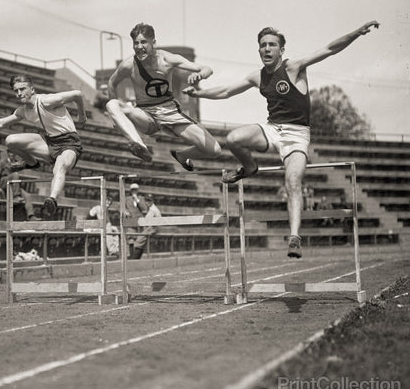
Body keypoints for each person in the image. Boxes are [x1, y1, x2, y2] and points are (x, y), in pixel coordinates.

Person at [184, 21, 380, 259]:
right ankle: (250, 167)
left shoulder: (294, 67)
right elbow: (226, 91)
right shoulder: (257, 76)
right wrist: (199, 93)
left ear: (281, 50)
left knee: (293, 182)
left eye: (272, 45)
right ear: (258, 50)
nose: (267, 49)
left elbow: (329, 49)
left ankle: (295, 237)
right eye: (263, 45)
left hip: (297, 135)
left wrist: (356, 33)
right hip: (272, 129)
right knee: (233, 138)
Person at [0, 74, 86, 218]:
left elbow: (77, 94)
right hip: (50, 142)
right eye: (16, 91)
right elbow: (0, 123)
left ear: (32, 89)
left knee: (59, 167)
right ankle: (32, 163)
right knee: (10, 140)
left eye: (22, 89)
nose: (19, 93)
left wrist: (82, 115)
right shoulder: (24, 111)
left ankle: (52, 199)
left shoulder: (46, 101)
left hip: (70, 143)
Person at [105, 22, 222, 171]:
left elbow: (207, 69)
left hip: (170, 112)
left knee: (215, 150)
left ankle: (181, 155)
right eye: (136, 43)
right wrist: (117, 118)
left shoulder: (167, 59)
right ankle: (139, 145)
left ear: (153, 43)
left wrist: (200, 75)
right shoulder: (129, 64)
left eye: (143, 42)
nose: (139, 47)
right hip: (145, 115)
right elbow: (111, 82)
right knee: (112, 105)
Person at [0, 152, 40, 221]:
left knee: (27, 195)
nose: (12, 155)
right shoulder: (2, 162)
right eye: (11, 153)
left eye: (13, 154)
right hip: (4, 182)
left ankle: (30, 216)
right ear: (8, 153)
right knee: (15, 174)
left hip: (13, 185)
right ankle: (15, 196)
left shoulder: (15, 163)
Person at [132, 194, 162, 260]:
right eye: (146, 200)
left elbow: (157, 222)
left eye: (149, 200)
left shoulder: (153, 209)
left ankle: (134, 260)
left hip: (153, 227)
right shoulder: (150, 208)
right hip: (151, 227)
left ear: (153, 201)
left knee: (138, 241)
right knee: (139, 241)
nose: (147, 202)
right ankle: (135, 260)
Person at [125, 183, 147, 258]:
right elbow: (120, 207)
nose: (134, 191)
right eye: (132, 190)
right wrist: (125, 211)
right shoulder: (127, 199)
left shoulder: (141, 198)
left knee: (139, 239)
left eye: (135, 190)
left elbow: (144, 209)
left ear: (138, 190)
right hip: (131, 220)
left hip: (139, 220)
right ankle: (132, 257)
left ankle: (137, 257)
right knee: (131, 238)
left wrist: (137, 200)